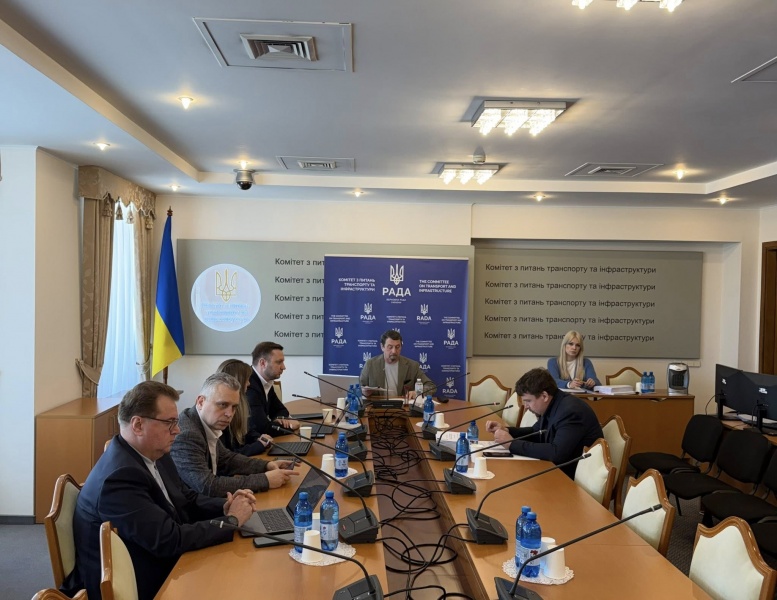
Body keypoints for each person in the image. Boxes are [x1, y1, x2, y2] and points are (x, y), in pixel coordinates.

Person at [67, 381, 257, 600]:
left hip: (157, 559)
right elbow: (169, 540)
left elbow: (185, 498)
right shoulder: (119, 479)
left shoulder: (154, 452)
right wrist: (231, 521)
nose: (177, 430)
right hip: (140, 582)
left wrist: (224, 506)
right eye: (169, 423)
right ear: (138, 425)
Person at [170, 372, 298, 497]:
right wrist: (265, 479)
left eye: (234, 407)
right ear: (201, 402)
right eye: (222, 405)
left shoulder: (205, 422)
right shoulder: (187, 435)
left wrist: (266, 466)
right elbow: (207, 485)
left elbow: (226, 459)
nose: (229, 414)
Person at [485, 367, 603, 478]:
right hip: (557, 470)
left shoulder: (571, 412)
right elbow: (536, 432)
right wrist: (507, 430)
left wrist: (512, 444)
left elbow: (556, 453)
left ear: (544, 396)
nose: (526, 406)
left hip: (570, 479)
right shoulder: (554, 403)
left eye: (528, 401)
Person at [216, 358, 272, 456]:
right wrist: (259, 445)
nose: (249, 384)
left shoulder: (241, 405)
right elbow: (228, 455)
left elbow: (247, 432)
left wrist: (258, 438)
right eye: (247, 380)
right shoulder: (222, 414)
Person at [360, 330, 434, 398]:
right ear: (382, 347)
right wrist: (364, 392)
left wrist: (417, 392)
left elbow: (430, 386)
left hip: (403, 406)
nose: (394, 351)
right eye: (390, 347)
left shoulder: (412, 366)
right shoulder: (370, 364)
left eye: (397, 347)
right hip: (377, 405)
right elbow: (359, 387)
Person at [246, 341, 299, 437]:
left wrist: (279, 419)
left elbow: (281, 410)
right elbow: (262, 428)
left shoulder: (266, 381)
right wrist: (291, 426)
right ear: (263, 363)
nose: (283, 367)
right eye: (279, 362)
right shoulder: (249, 386)